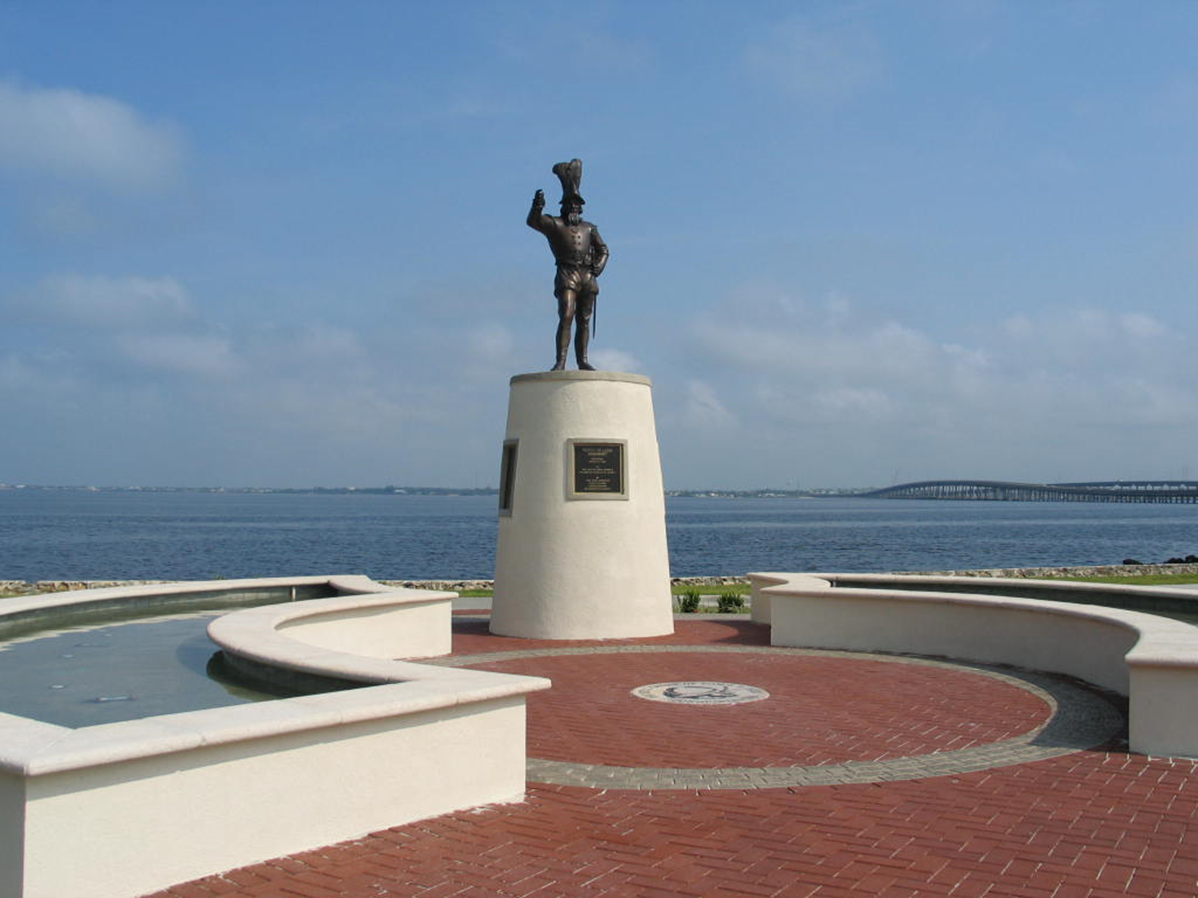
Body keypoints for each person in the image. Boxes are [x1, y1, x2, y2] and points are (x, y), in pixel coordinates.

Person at [526, 160, 609, 371]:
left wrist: (598, 265)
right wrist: (537, 207)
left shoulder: (589, 228)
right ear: (563, 206)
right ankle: (560, 361)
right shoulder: (556, 224)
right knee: (566, 315)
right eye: (570, 204)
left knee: (584, 319)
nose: (574, 207)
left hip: (587, 275)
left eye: (577, 205)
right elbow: (534, 222)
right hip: (567, 273)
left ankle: (582, 360)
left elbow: (603, 249)